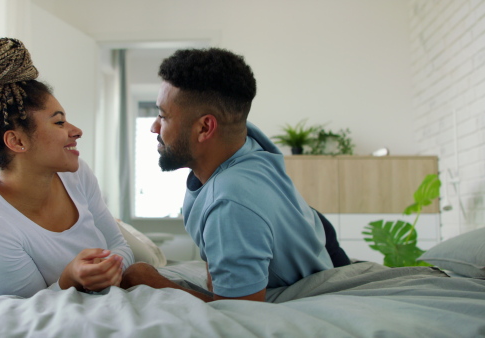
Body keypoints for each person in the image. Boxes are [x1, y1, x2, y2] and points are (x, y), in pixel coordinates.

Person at [121, 48, 341, 302]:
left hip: (321, 256)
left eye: (163, 115)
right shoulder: (243, 140)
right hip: (315, 232)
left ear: (205, 127)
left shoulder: (229, 203)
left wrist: (150, 281)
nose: (153, 127)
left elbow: (239, 312)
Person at [0, 34, 134, 298]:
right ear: (17, 141)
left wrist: (111, 268)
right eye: (59, 122)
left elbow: (119, 245)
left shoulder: (78, 175)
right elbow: (30, 305)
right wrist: (69, 279)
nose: (76, 131)